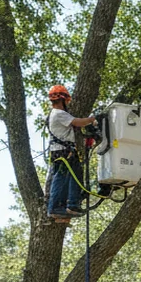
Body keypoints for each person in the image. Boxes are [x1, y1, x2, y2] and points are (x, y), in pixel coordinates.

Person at [45, 84, 95, 219]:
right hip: (63, 151)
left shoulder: (54, 114)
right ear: (63, 100)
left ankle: (72, 204)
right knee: (61, 178)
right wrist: (91, 119)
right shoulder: (59, 113)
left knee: (74, 174)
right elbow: (77, 122)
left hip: (62, 150)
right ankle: (55, 207)